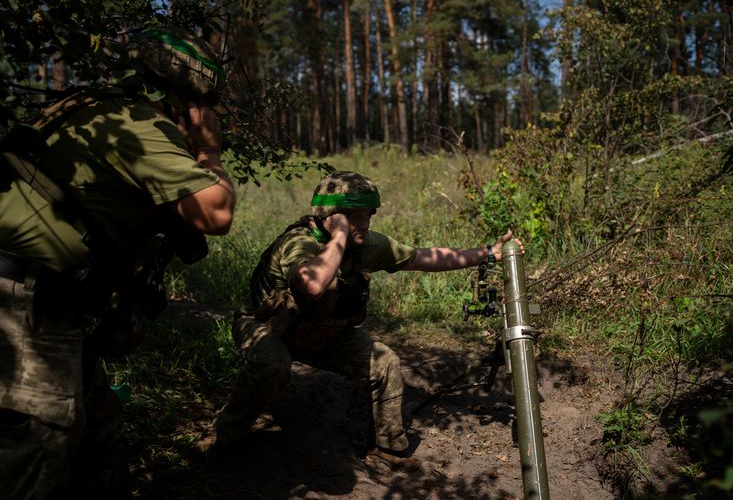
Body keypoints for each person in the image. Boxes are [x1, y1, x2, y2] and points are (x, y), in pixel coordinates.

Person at [0, 27, 236, 499]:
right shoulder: (140, 124)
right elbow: (215, 212)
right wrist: (208, 149)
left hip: (42, 294)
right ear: (185, 100)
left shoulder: (88, 107)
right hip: (24, 298)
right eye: (202, 107)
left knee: (98, 422)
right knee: (40, 446)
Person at [211, 170, 521, 469]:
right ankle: (226, 434)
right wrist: (341, 235)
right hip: (266, 327)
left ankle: (387, 447)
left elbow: (424, 257)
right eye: (355, 215)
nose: (365, 222)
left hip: (317, 332)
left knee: (384, 362)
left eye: (369, 214)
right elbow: (314, 284)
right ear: (330, 216)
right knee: (273, 365)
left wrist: (487, 252)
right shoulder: (299, 242)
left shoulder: (368, 244)